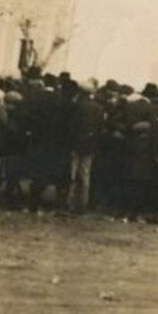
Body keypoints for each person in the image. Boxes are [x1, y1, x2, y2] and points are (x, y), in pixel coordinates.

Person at [67, 79, 104, 214]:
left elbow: (71, 126)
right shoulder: (98, 108)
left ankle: (69, 202)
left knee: (72, 173)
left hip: (75, 144)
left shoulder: (76, 106)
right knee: (85, 175)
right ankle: (82, 204)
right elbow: (100, 129)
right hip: (90, 145)